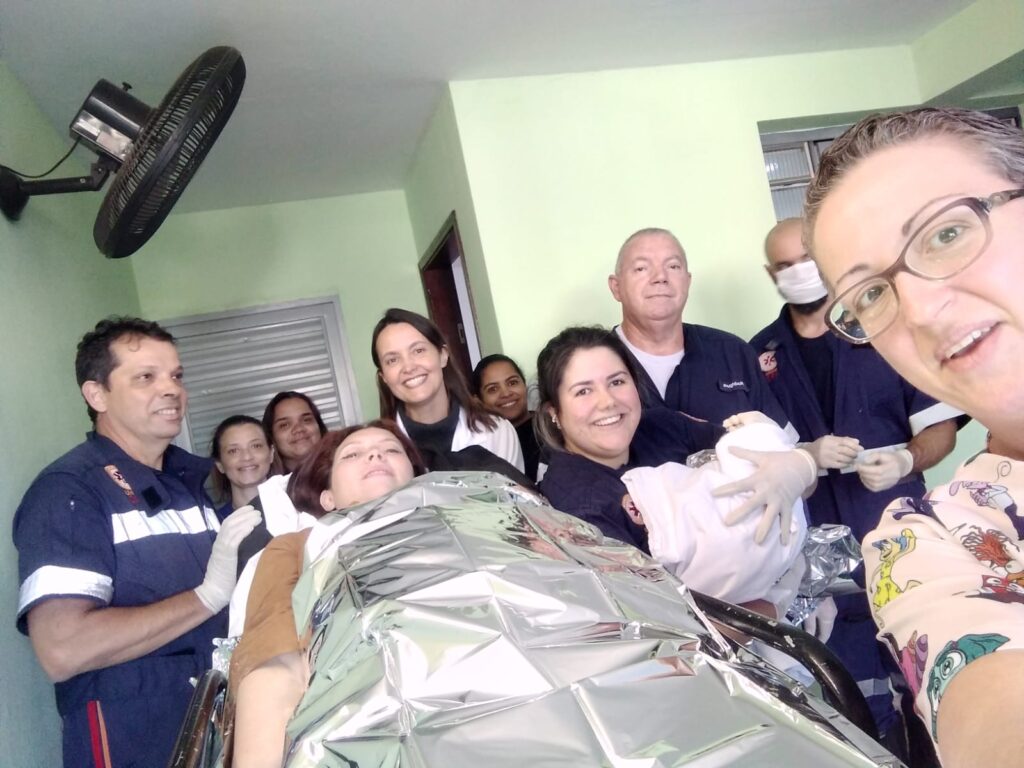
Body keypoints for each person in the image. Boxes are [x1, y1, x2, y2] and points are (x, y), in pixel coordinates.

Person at [805, 107, 1024, 768]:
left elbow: (934, 429)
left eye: (946, 233)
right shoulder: (928, 545)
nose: (921, 310)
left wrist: (907, 455)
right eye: (870, 295)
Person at [12, 317, 262, 768]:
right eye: (146, 377)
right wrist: (205, 597)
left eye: (176, 376)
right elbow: (63, 648)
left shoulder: (186, 485)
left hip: (212, 732)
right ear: (97, 395)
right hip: (136, 743)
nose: (171, 390)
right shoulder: (70, 492)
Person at [752, 217, 960, 751]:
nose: (799, 272)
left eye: (807, 259)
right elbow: (757, 457)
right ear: (771, 275)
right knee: (854, 713)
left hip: (901, 543)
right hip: (820, 567)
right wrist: (805, 456)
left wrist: (906, 458)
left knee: (934, 694)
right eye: (785, 265)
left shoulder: (883, 327)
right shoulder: (760, 356)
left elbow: (939, 427)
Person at [535, 326, 815, 610]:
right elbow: (658, 621)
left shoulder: (660, 426)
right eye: (583, 391)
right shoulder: (576, 510)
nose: (607, 401)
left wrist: (799, 466)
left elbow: (758, 454)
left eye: (617, 382)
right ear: (554, 413)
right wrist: (774, 605)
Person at [230, 421, 426, 768]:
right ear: (328, 498)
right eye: (353, 454)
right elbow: (275, 668)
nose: (375, 455)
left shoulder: (461, 529)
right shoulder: (295, 549)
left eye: (391, 449)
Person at [609, 227, 795, 447]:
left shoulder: (733, 352)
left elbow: (785, 447)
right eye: (641, 268)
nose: (660, 277)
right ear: (616, 287)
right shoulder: (593, 365)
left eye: (673, 266)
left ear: (687, 281)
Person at [371, 308, 525, 475]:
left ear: (443, 355)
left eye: (418, 351)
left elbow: (515, 492)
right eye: (392, 360)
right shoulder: (374, 449)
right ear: (384, 377)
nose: (408, 367)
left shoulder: (496, 431)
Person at [473, 353, 541, 479]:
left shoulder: (549, 427)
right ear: (478, 401)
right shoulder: (484, 445)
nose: (506, 393)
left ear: (524, 384)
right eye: (493, 389)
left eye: (512, 383)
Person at [210, 414, 275, 519]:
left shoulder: (298, 509)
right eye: (233, 451)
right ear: (219, 464)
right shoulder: (215, 524)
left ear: (271, 453)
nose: (246, 457)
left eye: (256, 446)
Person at [261, 391, 328, 474]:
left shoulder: (341, 470)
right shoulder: (265, 481)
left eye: (306, 420)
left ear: (319, 426)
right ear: (271, 436)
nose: (299, 429)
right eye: (285, 425)